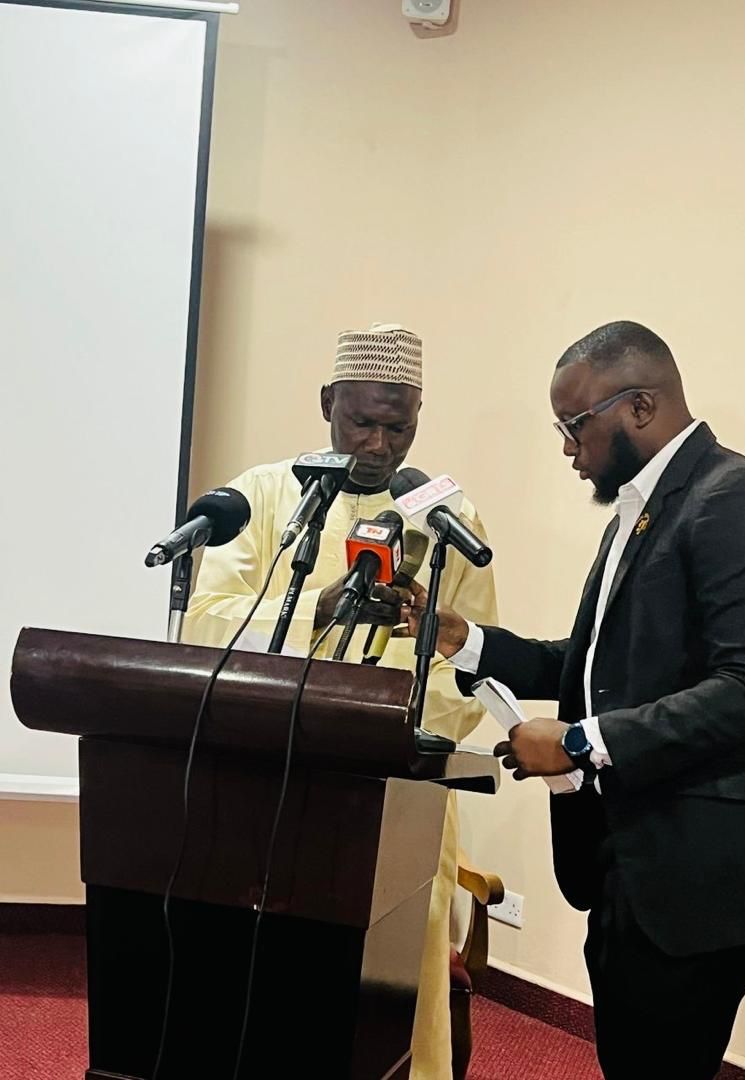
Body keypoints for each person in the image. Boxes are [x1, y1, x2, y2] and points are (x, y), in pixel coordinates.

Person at [401, 321, 745, 1080]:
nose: (567, 447)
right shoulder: (641, 507)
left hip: (700, 872)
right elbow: (596, 668)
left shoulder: (736, 496)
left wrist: (578, 743)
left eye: (574, 425)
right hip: (636, 852)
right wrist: (469, 642)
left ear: (640, 407)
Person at [184, 322, 498, 1079]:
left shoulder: (447, 518)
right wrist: (313, 613)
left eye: (400, 426)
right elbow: (205, 625)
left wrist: (394, 722)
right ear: (328, 402)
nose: (379, 445)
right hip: (271, 780)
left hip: (398, 792)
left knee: (395, 988)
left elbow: (470, 669)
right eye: (361, 421)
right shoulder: (263, 495)